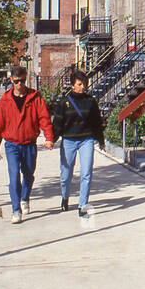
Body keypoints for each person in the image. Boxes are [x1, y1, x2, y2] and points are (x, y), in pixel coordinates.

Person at [0, 65, 54, 223]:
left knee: (28, 175)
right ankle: (16, 210)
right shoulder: (5, 101)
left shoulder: (35, 97)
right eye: (17, 81)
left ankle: (25, 198)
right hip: (11, 144)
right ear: (11, 80)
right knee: (13, 177)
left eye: (23, 81)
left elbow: (44, 118)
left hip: (29, 144)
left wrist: (49, 137)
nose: (20, 84)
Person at [52, 69, 106, 219]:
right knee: (66, 174)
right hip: (68, 140)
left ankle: (83, 204)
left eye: (84, 84)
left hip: (86, 140)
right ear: (72, 85)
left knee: (86, 172)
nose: (82, 87)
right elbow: (57, 123)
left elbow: (96, 122)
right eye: (79, 84)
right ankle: (65, 197)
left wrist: (100, 140)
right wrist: (52, 139)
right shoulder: (64, 103)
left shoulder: (90, 102)